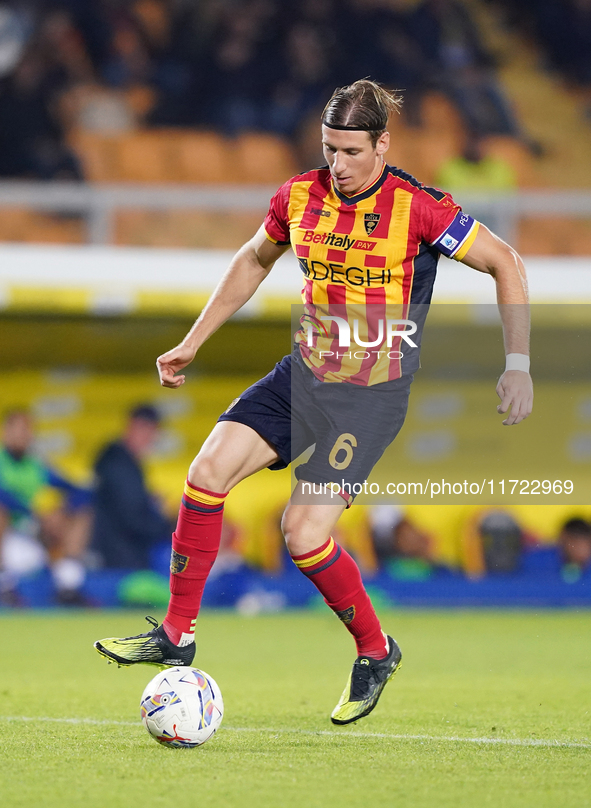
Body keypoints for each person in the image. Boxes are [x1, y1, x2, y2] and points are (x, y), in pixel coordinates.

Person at [94, 79, 533, 725]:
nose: (338, 164)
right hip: (302, 376)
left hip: (368, 397)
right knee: (205, 473)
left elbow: (507, 263)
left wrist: (517, 364)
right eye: (329, 149)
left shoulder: (420, 209)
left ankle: (375, 650)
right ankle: (177, 632)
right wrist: (192, 341)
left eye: (352, 151)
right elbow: (253, 257)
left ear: (382, 144)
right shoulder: (298, 196)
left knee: (301, 535)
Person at [0, 409, 92, 605]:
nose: (23, 435)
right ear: (5, 431)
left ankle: (68, 581)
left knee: (78, 512)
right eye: (19, 429)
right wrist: (32, 513)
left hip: (30, 533)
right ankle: (4, 584)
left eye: (27, 430)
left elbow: (76, 489)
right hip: (8, 534)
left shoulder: (35, 465)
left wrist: (63, 509)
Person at [91, 404, 173, 570]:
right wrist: (170, 527)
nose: (150, 437)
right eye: (146, 430)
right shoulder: (119, 465)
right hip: (122, 557)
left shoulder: (122, 463)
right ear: (132, 426)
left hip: (121, 551)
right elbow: (131, 517)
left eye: (153, 431)